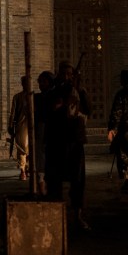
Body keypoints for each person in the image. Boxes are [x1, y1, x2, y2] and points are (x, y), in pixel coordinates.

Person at [42, 60, 92, 230]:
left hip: (75, 142)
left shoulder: (78, 91)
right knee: (54, 180)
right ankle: (55, 217)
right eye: (64, 74)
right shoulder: (53, 92)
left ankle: (77, 216)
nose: (67, 77)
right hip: (57, 142)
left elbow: (88, 109)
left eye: (70, 74)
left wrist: (80, 90)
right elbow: (46, 111)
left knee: (78, 181)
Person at [8, 72, 50, 193]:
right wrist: (11, 126)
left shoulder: (35, 97)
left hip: (33, 126)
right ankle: (22, 170)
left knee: (32, 149)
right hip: (22, 126)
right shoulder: (17, 97)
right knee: (22, 148)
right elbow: (13, 113)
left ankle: (30, 169)